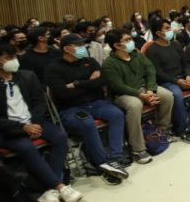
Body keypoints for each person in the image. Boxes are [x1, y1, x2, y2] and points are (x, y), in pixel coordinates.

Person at [0, 43, 82, 202]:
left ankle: (50, 188)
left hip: (34, 122)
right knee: (26, 147)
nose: (14, 60)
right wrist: (22, 127)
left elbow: (39, 103)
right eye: (9, 58)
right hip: (7, 129)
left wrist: (34, 122)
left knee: (60, 136)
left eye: (15, 57)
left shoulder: (27, 76)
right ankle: (60, 187)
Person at [44, 35, 129, 185]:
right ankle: (102, 163)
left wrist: (77, 84)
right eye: (78, 45)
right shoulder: (53, 69)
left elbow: (103, 80)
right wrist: (90, 82)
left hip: (96, 103)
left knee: (116, 114)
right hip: (71, 108)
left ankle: (116, 157)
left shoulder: (89, 61)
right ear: (67, 49)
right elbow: (63, 94)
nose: (83, 48)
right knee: (87, 123)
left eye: (83, 44)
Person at [102, 28, 174, 164]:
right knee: (135, 105)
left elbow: (150, 70)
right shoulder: (109, 63)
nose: (131, 42)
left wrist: (151, 89)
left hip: (145, 89)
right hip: (124, 94)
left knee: (167, 96)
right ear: (117, 45)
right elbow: (118, 86)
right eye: (127, 40)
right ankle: (138, 148)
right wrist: (141, 95)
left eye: (130, 38)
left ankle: (162, 130)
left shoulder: (137, 54)